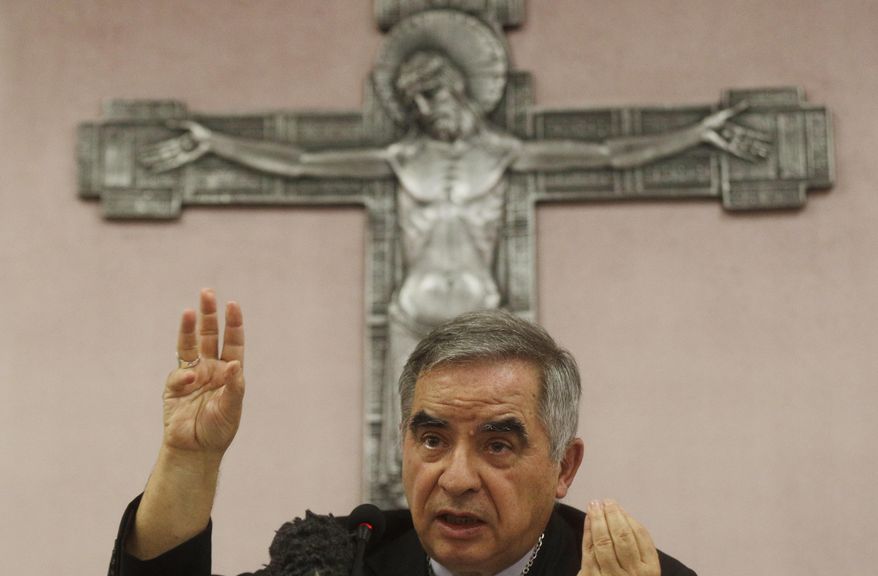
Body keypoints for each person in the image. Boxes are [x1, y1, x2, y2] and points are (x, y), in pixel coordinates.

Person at [140, 51, 770, 497]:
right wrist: (214, 144)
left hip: (481, 320)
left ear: (459, 91)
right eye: (414, 101)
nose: (425, 108)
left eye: (432, 94)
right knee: (414, 445)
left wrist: (698, 135)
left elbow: (607, 155)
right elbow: (303, 162)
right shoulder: (400, 155)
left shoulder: (503, 152)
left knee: (491, 434)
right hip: (412, 312)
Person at [106, 289, 701, 576]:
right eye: (433, 440)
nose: (457, 478)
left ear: (564, 467)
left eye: (497, 445)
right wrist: (190, 458)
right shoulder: (346, 564)